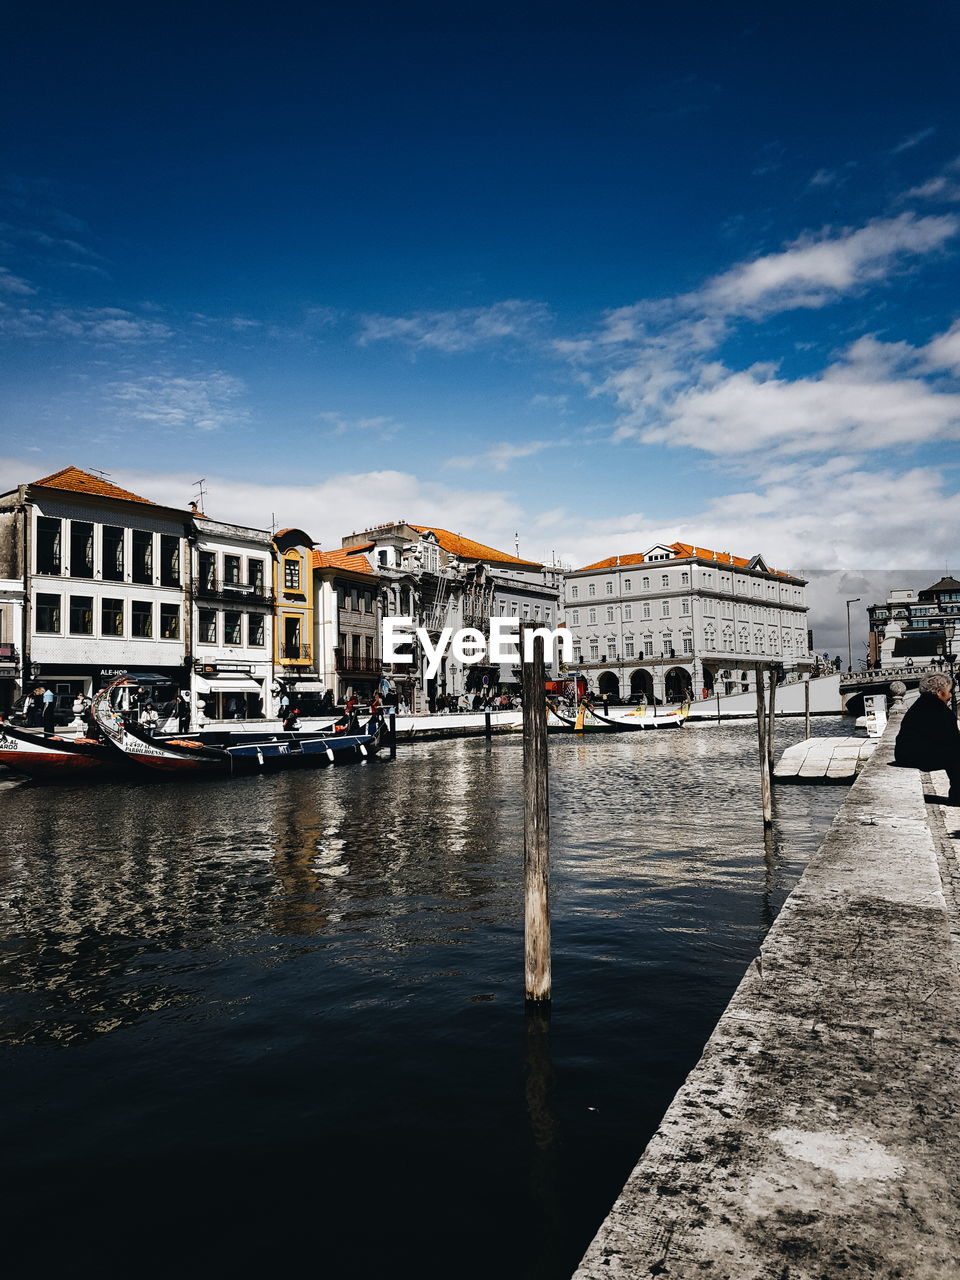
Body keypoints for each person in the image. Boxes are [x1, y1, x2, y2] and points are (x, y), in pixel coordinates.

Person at [894, 673, 960, 803]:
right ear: (939, 692)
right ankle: (957, 796)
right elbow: (952, 742)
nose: (951, 695)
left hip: (904, 754)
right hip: (918, 757)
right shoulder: (942, 712)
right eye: (949, 692)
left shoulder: (919, 705)